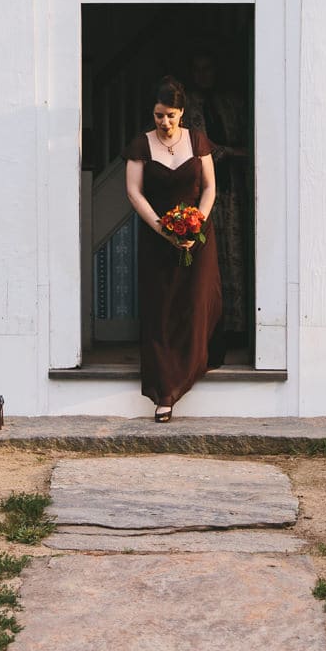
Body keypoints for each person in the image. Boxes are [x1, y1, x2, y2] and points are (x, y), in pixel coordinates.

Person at [122, 76, 223, 421]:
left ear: (182, 113)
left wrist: (196, 222)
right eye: (158, 115)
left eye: (170, 115)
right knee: (161, 310)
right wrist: (163, 229)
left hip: (197, 235)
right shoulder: (140, 145)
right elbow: (135, 192)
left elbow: (209, 187)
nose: (163, 122)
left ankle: (192, 365)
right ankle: (164, 391)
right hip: (157, 236)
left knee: (194, 302)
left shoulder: (198, 141)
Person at [182, 49, 250, 339]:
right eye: (197, 69)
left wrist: (228, 152)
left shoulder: (232, 103)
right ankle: (206, 328)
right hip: (198, 190)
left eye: (207, 67)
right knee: (204, 256)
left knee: (234, 253)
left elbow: (251, 143)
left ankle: (235, 327)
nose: (203, 75)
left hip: (232, 187)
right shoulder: (186, 107)